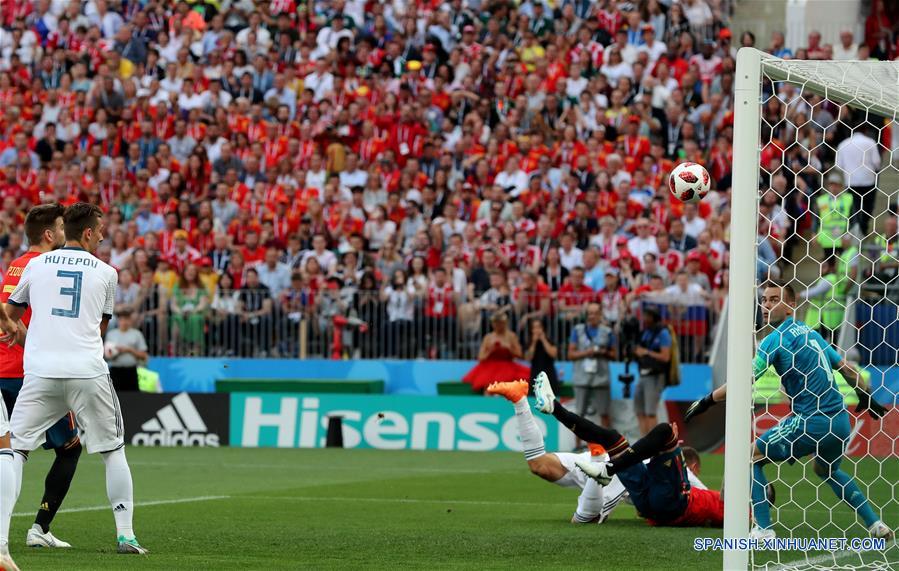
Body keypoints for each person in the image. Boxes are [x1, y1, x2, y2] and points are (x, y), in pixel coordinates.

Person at [684, 282, 892, 540]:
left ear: (791, 305)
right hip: (839, 422)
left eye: (774, 300)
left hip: (811, 421)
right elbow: (846, 368)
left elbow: (744, 379)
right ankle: (876, 525)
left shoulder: (773, 340)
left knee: (748, 458)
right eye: (764, 300)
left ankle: (763, 529)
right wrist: (865, 394)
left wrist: (707, 401)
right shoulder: (812, 333)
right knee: (826, 470)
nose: (766, 305)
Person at [0, 203, 148, 559]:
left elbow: (12, 313)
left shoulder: (34, 264)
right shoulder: (108, 272)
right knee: (113, 451)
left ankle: (2, 541)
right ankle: (125, 536)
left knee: (14, 450)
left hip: (39, 372)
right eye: (99, 230)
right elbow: (101, 328)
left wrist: (24, 332)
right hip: (86, 371)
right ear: (87, 233)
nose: (101, 235)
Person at [531, 374, 723, 528]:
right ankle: (554, 408)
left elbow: (710, 514)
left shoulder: (719, 503)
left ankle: (607, 469)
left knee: (665, 431)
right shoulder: (717, 499)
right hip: (650, 502)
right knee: (612, 438)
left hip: (670, 505)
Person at [0, 204, 79, 552]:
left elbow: (6, 312)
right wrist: (33, 337)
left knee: (13, 450)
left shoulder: (15, 265)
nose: (64, 233)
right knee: (69, 448)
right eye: (62, 227)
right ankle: (39, 527)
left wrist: (14, 327)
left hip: (4, 371)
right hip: (32, 373)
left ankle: (7, 532)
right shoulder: (45, 264)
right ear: (49, 234)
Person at [485, 376, 628, 524]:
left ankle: (520, 399)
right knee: (585, 520)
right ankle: (597, 460)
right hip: (621, 472)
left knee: (540, 465)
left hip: (611, 459)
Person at [568, 302, 616, 427]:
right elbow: (571, 354)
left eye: (595, 313)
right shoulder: (578, 330)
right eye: (590, 313)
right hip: (581, 377)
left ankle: (607, 445)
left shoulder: (608, 332)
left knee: (604, 413)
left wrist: (602, 352)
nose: (592, 316)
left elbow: (614, 355)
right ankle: (577, 445)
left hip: (601, 378)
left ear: (600, 314)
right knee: (579, 414)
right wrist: (586, 353)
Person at [462, 312, 530, 392]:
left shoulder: (511, 336)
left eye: (500, 323)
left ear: (505, 323)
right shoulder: (488, 337)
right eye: (496, 323)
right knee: (488, 387)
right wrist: (490, 350)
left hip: (508, 367)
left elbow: (519, 354)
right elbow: (480, 357)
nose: (498, 325)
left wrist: (509, 348)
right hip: (489, 368)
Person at [633, 307, 673, 435]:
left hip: (655, 375)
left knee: (650, 412)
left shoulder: (663, 333)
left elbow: (666, 357)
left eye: (647, 316)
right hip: (643, 374)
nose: (644, 319)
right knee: (639, 410)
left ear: (654, 317)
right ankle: (643, 441)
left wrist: (647, 352)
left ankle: (652, 444)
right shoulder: (646, 332)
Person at [104, 309, 149, 392]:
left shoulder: (137, 334)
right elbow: (106, 355)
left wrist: (129, 350)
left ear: (130, 320)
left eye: (126, 319)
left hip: (131, 372)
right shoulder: (111, 334)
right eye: (121, 319)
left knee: (133, 398)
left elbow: (144, 356)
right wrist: (115, 352)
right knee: (114, 398)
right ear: (118, 321)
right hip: (115, 371)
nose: (124, 322)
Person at [526, 318, 559, 395]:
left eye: (539, 327)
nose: (537, 330)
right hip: (535, 375)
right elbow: (528, 357)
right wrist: (534, 342)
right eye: (534, 328)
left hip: (549, 375)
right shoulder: (529, 343)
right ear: (531, 330)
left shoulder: (550, 341)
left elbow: (553, 354)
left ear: (543, 328)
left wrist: (543, 340)